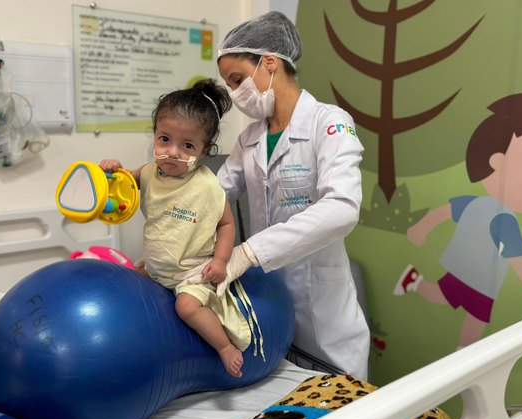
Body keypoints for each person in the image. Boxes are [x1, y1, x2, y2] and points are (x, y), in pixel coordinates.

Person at [207, 11, 370, 378]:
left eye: (237, 80)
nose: (235, 95)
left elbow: (342, 208)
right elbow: (213, 197)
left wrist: (249, 251)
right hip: (271, 312)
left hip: (327, 322)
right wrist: (155, 183)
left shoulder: (329, 123)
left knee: (340, 415)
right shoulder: (250, 139)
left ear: (269, 62)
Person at [100, 79, 251, 377]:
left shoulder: (207, 185)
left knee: (186, 307)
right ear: (155, 136)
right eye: (164, 139)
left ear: (204, 150)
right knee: (128, 281)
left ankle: (224, 347)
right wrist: (112, 169)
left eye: (187, 146)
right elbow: (122, 184)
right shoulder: (148, 173)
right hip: (158, 267)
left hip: (190, 271)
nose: (172, 152)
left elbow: (226, 223)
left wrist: (220, 262)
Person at [394, 93, 522, 348]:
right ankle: (464, 354)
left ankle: (416, 284)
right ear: (498, 163)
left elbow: (445, 211)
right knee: (450, 303)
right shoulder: (503, 218)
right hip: (476, 278)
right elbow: (519, 259)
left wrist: (421, 228)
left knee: (450, 302)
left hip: (474, 276)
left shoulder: (480, 204)